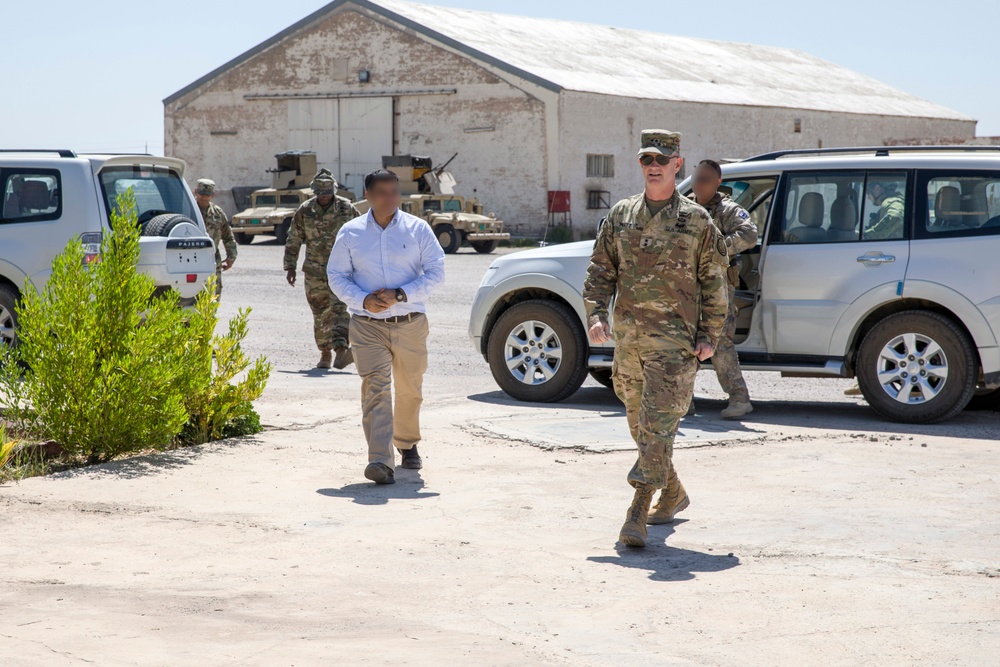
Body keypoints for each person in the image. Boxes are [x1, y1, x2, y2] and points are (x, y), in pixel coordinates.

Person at [583, 130, 728, 548]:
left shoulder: (697, 221)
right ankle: (674, 491)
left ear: (677, 165)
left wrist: (710, 335)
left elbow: (714, 283)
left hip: (674, 346)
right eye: (648, 158)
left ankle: (636, 512)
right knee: (643, 430)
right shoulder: (622, 214)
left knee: (658, 427)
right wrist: (596, 315)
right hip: (629, 343)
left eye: (662, 159)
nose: (654, 165)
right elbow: (600, 271)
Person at [327, 169, 445, 485]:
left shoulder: (417, 229)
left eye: (394, 192)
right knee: (375, 388)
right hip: (367, 325)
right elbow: (336, 275)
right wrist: (363, 300)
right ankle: (380, 460)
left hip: (410, 323)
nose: (389, 198)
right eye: (382, 192)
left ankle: (407, 444)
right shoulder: (350, 233)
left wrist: (401, 294)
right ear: (367, 195)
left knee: (409, 388)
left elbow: (436, 272)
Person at [689, 159, 758, 419]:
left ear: (718, 182)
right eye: (696, 178)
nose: (699, 183)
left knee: (719, 343)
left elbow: (749, 235)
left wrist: (716, 249)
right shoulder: (685, 209)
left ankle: (739, 399)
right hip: (687, 287)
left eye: (706, 179)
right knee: (684, 343)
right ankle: (683, 402)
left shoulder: (728, 209)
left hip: (718, 287)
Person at [284, 169, 360, 370]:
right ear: (314, 191)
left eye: (327, 192)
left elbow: (363, 236)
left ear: (334, 190)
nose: (324, 195)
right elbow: (294, 238)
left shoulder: (347, 208)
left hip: (343, 270)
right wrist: (290, 266)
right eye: (320, 192)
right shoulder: (305, 210)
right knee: (320, 313)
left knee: (339, 310)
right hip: (315, 273)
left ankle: (341, 349)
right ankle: (325, 353)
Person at [846, 179, 907, 396]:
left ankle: (874, 379)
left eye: (869, 192)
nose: (869, 197)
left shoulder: (892, 202)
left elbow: (895, 218)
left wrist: (868, 236)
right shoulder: (890, 201)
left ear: (878, 188)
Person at [194, 179, 237, 298]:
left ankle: (210, 316)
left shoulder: (217, 213)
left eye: (207, 195)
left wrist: (231, 257)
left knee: (214, 294)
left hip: (213, 260)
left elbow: (228, 236)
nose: (204, 197)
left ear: (213, 195)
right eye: (201, 193)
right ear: (195, 192)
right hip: (192, 260)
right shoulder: (188, 210)